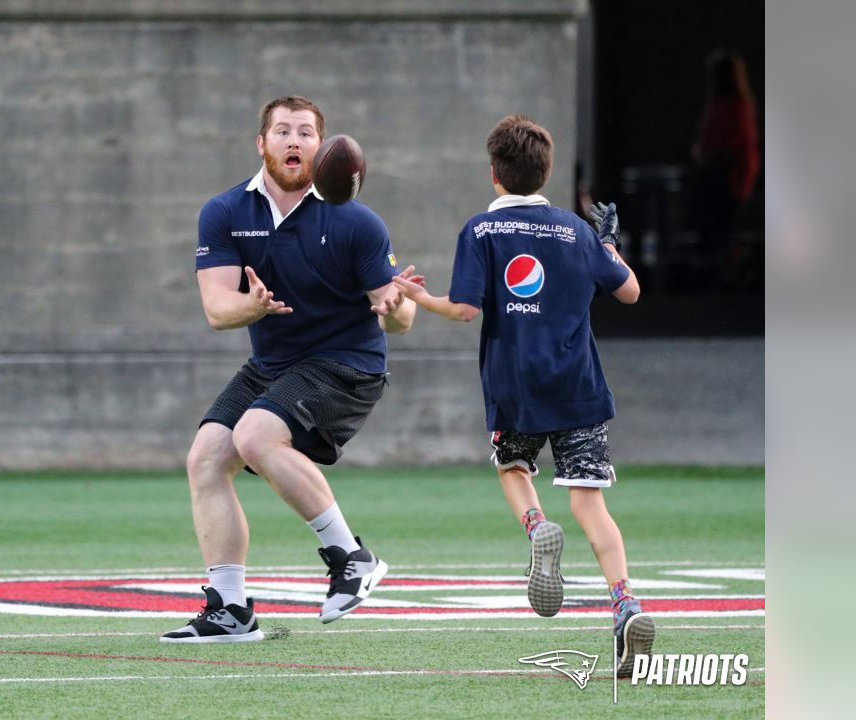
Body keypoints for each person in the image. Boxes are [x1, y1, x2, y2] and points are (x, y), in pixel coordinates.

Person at [392, 116, 655, 676]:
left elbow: (464, 309)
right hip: (579, 388)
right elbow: (630, 291)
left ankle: (537, 528)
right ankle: (625, 603)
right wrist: (606, 242)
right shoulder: (575, 231)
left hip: (516, 386)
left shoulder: (479, 232)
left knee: (513, 465)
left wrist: (421, 295)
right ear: (547, 172)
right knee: (591, 503)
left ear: (494, 175)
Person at [162, 96, 418, 643]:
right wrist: (251, 308)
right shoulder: (226, 211)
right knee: (206, 457)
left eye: (306, 132)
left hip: (346, 363)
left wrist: (396, 307)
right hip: (273, 364)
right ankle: (230, 611)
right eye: (282, 131)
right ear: (262, 144)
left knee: (255, 435)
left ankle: (352, 557)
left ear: (322, 150)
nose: (294, 140)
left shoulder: (355, 221)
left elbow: (401, 317)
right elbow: (216, 308)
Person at [690, 49, 760, 275]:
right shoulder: (738, 106)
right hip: (728, 176)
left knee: (720, 226)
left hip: (727, 178)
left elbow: (726, 145)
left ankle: (725, 267)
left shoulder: (731, 107)